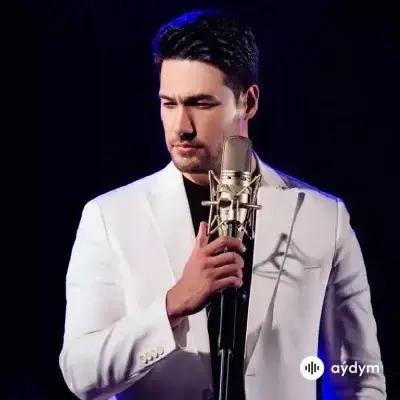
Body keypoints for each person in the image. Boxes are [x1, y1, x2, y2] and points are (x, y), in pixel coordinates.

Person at [59, 9, 386, 400]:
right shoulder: (110, 217)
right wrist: (172, 305)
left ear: (248, 101)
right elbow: (80, 373)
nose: (181, 126)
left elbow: (358, 379)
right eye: (168, 103)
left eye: (201, 103)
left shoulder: (323, 217)